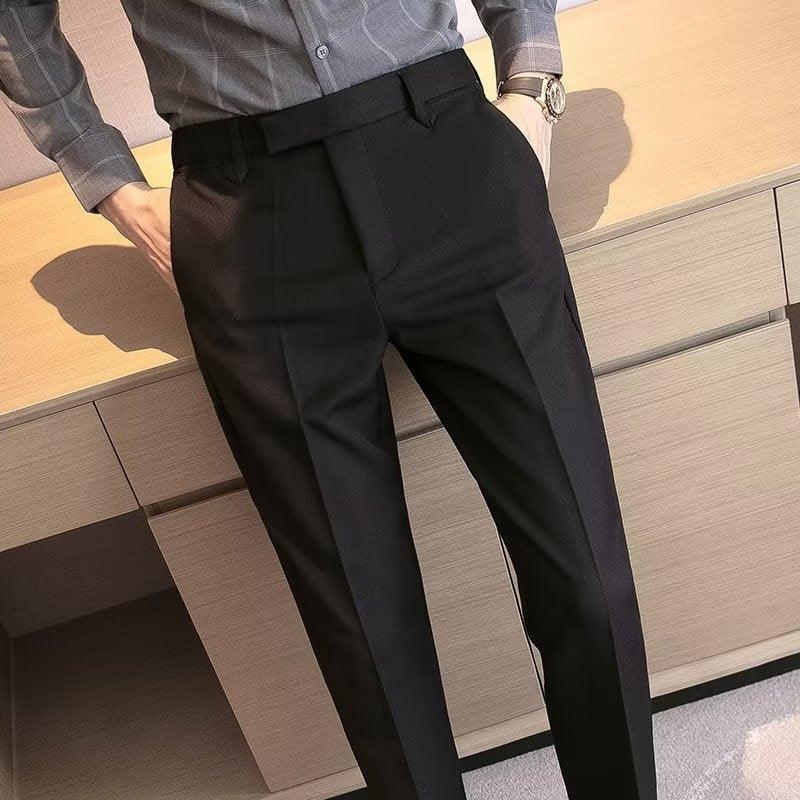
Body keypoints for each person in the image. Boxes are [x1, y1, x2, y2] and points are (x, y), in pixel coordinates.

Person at [0, 2, 658, 798]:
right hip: (249, 209)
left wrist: (533, 81)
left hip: (446, 148)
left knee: (589, 577)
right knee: (366, 628)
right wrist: (107, 179)